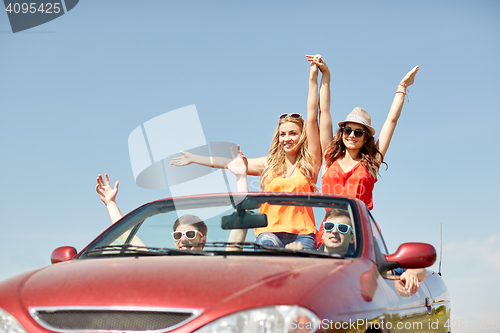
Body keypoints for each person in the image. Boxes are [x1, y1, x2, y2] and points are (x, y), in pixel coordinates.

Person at [169, 56, 325, 248]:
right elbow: (230, 163)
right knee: (268, 256)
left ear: (302, 137)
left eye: (293, 133)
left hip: (303, 234)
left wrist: (313, 76)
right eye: (282, 134)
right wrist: (195, 158)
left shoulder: (310, 164)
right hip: (269, 232)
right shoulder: (269, 164)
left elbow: (312, 118)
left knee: (303, 271)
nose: (287, 138)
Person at [312, 59, 419, 245]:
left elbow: (391, 121)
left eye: (358, 132)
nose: (351, 135)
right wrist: (326, 76)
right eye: (347, 130)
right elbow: (325, 111)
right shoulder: (330, 157)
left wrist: (402, 88)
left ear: (365, 137)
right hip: (330, 230)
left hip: (360, 231)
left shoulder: (371, 162)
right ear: (342, 133)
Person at [286, 208, 425, 295]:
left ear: (352, 237)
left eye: (342, 228)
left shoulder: (368, 262)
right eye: (329, 226)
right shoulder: (306, 258)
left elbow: (421, 270)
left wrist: (411, 272)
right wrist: (290, 259)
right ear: (323, 233)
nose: (334, 231)